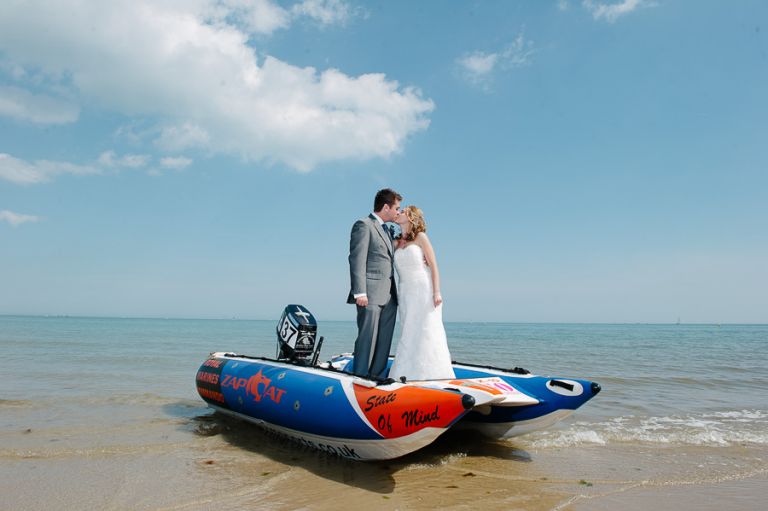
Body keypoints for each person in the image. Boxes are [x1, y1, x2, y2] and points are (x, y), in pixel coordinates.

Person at [388, 205, 455, 381]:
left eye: (403, 211)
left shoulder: (420, 237)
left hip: (423, 289)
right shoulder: (395, 241)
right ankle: (405, 373)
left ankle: (433, 373)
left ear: (411, 217)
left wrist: (437, 292)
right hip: (405, 291)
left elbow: (433, 266)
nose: (399, 213)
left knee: (426, 328)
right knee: (408, 329)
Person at [347, 188, 402, 378]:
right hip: (369, 294)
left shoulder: (387, 230)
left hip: (390, 296)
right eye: (396, 208)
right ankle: (360, 376)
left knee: (384, 340)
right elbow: (357, 259)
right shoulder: (364, 225)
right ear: (386, 207)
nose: (398, 212)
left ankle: (377, 376)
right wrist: (359, 292)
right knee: (367, 339)